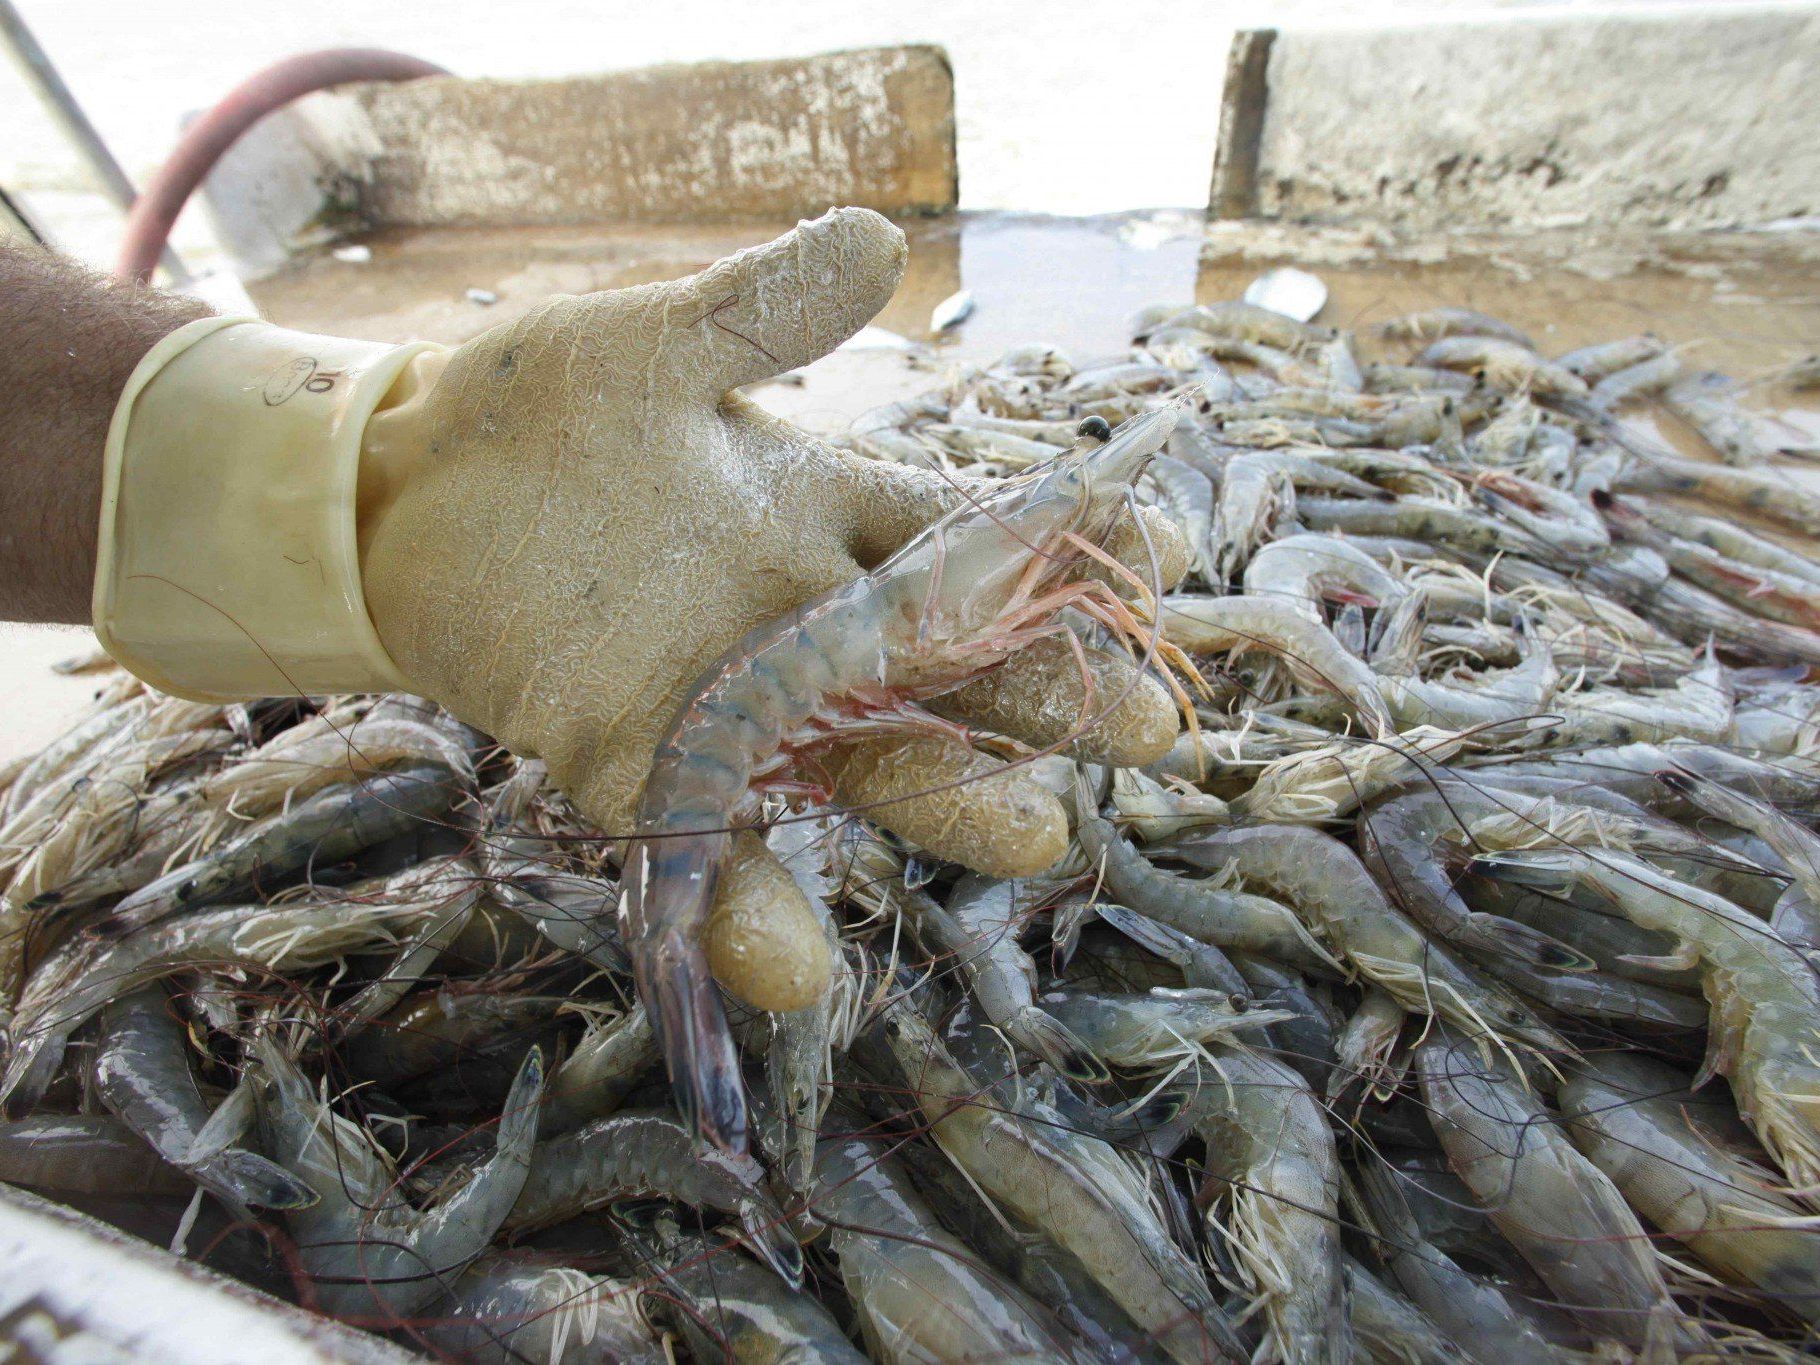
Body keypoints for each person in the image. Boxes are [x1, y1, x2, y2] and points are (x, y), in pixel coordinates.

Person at [0, 206, 1183, 1018]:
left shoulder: (912, 606)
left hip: (739, 724)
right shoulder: (918, 608)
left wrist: (354, 467)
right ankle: (671, 961)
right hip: (722, 738)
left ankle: (670, 949)